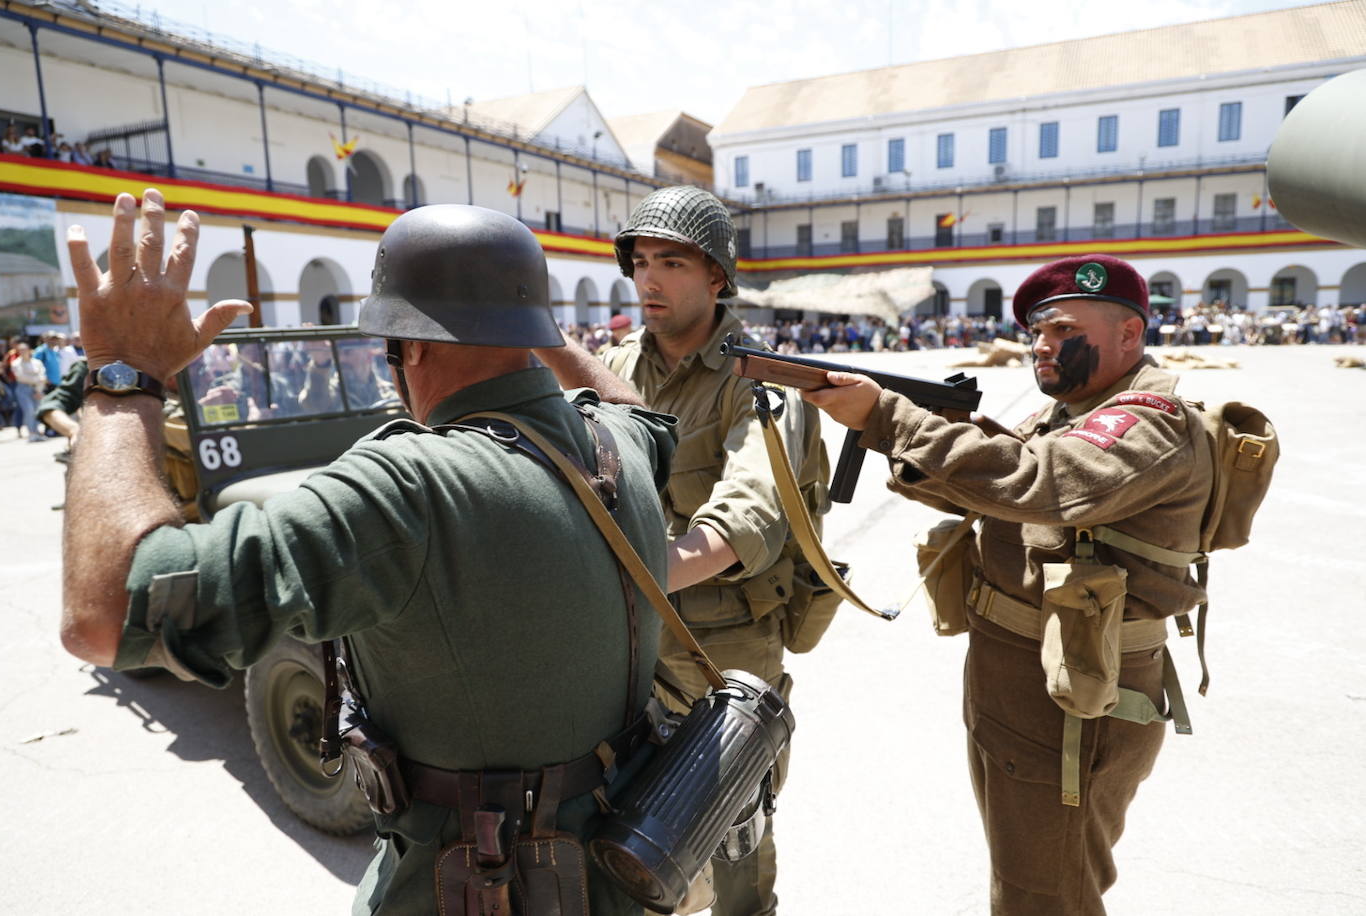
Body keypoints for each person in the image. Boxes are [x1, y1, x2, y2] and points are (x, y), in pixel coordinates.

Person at [59, 189, 678, 915]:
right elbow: (641, 413)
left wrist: (120, 372)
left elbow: (103, 614)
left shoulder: (408, 485)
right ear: (530, 328)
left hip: (473, 887)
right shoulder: (620, 445)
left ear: (407, 347)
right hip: (625, 865)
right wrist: (532, 324)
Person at [805, 254, 1215, 915]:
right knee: (1023, 876)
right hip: (1019, 676)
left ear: (1129, 336)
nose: (1042, 348)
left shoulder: (1146, 420)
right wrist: (898, 433)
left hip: (1076, 694)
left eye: (1060, 331)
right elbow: (998, 487)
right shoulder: (1072, 411)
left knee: (1046, 893)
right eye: (1036, 334)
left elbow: (1037, 481)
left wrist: (889, 418)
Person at [583, 185, 829, 916]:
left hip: (721, 646)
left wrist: (631, 571)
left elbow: (746, 517)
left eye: (673, 263)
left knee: (729, 834)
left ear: (718, 277)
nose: (650, 280)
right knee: (626, 829)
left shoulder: (763, 379)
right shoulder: (614, 365)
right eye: (641, 262)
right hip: (626, 638)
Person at [10, 340, 48, 440]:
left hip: (37, 389)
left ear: (29, 350)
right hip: (23, 389)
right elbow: (21, 377)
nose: (23, 352)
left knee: (37, 411)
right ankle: (31, 433)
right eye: (20, 350)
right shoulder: (15, 363)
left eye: (24, 349)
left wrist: (39, 390)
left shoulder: (37, 362)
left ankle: (37, 432)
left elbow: (43, 376)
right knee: (29, 411)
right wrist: (37, 379)